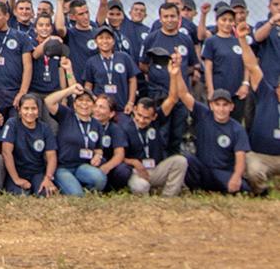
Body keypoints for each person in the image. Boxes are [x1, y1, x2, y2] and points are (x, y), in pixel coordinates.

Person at [175, 48, 250, 193]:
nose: (221, 109)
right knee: (188, 159)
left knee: (243, 188)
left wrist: (236, 177)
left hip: (223, 172)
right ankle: (196, 189)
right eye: (217, 104)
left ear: (231, 107)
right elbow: (183, 94)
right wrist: (177, 72)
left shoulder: (236, 129)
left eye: (225, 105)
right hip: (204, 169)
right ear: (211, 105)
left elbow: (240, 156)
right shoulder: (203, 114)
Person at [120, 54, 188, 197]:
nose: (141, 120)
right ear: (134, 111)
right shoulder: (125, 127)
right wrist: (134, 162)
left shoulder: (156, 121)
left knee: (180, 161)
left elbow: (172, 99)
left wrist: (174, 75)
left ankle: (167, 198)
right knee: (141, 186)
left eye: (146, 118)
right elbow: (118, 156)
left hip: (156, 169)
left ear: (154, 116)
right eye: (139, 115)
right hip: (137, 171)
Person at [235, 22, 280, 193]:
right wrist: (242, 40)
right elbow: (252, 66)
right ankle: (263, 191)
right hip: (261, 156)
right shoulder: (266, 93)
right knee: (254, 171)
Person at [44, 83, 107, 196]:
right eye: (80, 100)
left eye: (88, 101)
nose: (84, 104)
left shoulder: (96, 124)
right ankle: (72, 187)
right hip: (63, 167)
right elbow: (48, 101)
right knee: (77, 195)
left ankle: (81, 188)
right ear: (74, 104)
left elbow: (98, 148)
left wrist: (97, 156)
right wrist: (70, 90)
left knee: (101, 179)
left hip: (83, 167)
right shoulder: (67, 115)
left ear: (93, 105)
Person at [0, 94, 58, 196]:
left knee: (45, 193)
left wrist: (48, 178)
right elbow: (6, 152)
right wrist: (16, 179)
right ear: (19, 110)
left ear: (38, 111)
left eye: (33, 108)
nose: (30, 112)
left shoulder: (45, 128)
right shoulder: (12, 124)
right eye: (26, 108)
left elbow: (51, 156)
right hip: (16, 172)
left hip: (37, 172)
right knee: (21, 195)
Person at [201, 4, 248, 122]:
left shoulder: (239, 41)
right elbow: (208, 68)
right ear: (217, 21)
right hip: (219, 92)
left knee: (236, 123)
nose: (227, 23)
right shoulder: (211, 41)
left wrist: (245, 84)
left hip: (237, 93)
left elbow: (247, 63)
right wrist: (211, 90)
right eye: (224, 19)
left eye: (230, 20)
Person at [82, 25, 139, 114]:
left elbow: (132, 80)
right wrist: (94, 100)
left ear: (113, 41)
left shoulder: (124, 57)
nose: (105, 41)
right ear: (96, 41)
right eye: (101, 38)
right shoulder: (91, 61)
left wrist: (131, 103)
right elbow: (88, 86)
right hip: (100, 110)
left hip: (122, 108)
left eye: (108, 38)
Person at [91, 95, 130, 191]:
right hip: (90, 163)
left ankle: (111, 190)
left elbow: (119, 154)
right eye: (95, 106)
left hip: (108, 165)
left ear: (111, 113)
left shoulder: (115, 129)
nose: (97, 110)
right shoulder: (86, 124)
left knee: (123, 170)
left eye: (102, 107)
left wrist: (107, 167)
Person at [54, 0, 98, 76]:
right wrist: (59, 2)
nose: (86, 17)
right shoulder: (70, 34)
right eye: (81, 14)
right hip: (75, 80)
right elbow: (59, 28)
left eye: (87, 12)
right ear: (72, 17)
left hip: (96, 80)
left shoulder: (98, 33)